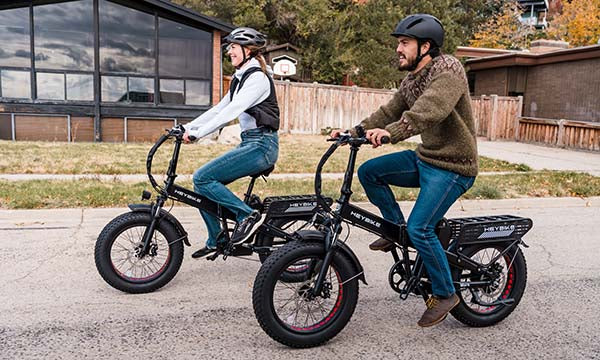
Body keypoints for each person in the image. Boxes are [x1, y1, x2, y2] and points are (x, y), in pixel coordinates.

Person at [331, 14, 478, 327]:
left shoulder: (448, 69)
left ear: (425, 46)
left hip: (454, 165)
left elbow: (431, 110)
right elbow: (389, 111)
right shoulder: (411, 79)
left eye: (404, 43)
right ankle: (394, 229)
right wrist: (354, 130)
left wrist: (392, 133)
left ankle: (445, 293)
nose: (398, 49)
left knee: (421, 228)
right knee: (371, 172)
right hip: (426, 157)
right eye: (398, 42)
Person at [182, 27, 280, 259]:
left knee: (202, 177)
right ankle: (218, 238)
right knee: (202, 185)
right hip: (251, 143)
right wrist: (188, 128)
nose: (229, 52)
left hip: (262, 145)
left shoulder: (257, 78)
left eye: (233, 47)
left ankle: (247, 216)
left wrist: (199, 134)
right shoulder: (240, 78)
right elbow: (220, 108)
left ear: (248, 50)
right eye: (230, 48)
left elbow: (232, 111)